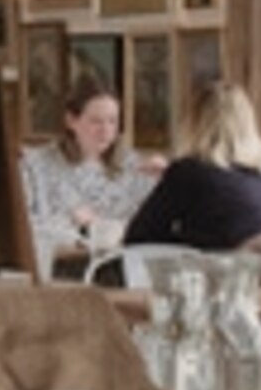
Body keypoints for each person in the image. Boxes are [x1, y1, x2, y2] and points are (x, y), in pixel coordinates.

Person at [123, 79, 261, 252]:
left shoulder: (188, 172)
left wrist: (187, 238)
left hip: (219, 275)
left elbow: (138, 237)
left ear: (194, 123)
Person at [19, 76, 160, 277]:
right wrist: (76, 227)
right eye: (96, 121)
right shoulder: (35, 166)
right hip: (56, 275)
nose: (106, 131)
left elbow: (152, 224)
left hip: (123, 275)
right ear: (71, 120)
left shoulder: (135, 167)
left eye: (113, 121)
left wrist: (166, 178)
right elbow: (23, 225)